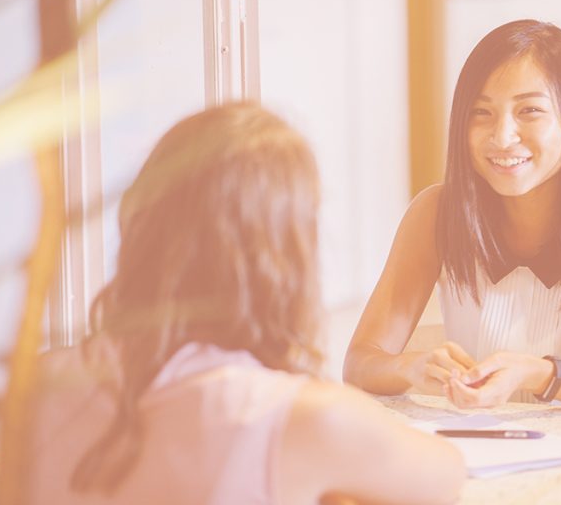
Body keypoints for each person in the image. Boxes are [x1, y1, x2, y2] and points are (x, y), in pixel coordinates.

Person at [26, 103, 465, 504]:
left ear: (142, 225)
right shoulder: (303, 418)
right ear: (284, 256)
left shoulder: (42, 384)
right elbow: (444, 477)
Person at [344, 19, 561, 416]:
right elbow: (358, 364)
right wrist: (411, 367)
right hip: (480, 454)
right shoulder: (435, 213)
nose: (503, 136)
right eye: (481, 113)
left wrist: (539, 374)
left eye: (530, 111)